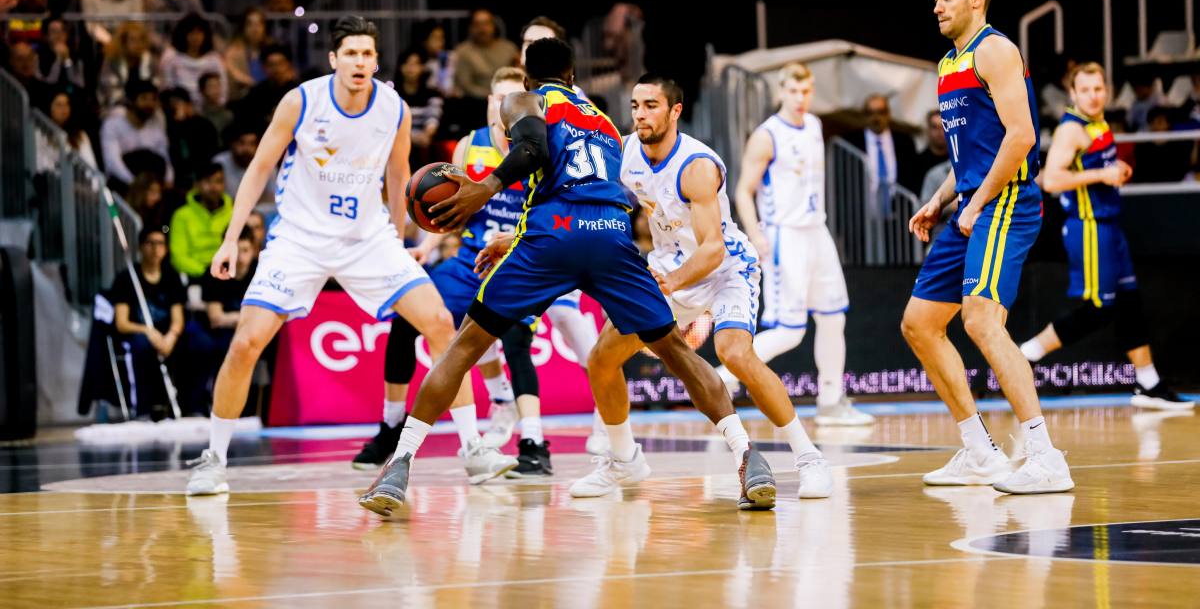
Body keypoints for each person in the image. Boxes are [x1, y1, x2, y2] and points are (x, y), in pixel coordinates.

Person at [359, 37, 775, 518]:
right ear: (574, 76)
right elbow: (578, 185)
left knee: (464, 347)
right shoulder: (600, 119)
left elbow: (535, 150)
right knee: (676, 352)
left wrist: (485, 189)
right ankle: (748, 455)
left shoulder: (525, 99)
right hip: (612, 236)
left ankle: (399, 464)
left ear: (526, 74)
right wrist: (513, 238)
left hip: (553, 238)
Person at [187, 16, 509, 496]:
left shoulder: (393, 109)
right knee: (247, 341)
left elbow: (400, 178)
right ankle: (213, 458)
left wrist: (403, 241)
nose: (360, 62)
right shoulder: (301, 101)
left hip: (368, 239)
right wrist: (232, 238)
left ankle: (473, 449)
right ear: (334, 59)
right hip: (298, 238)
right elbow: (259, 167)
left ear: (376, 62)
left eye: (367, 54)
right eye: (351, 53)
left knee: (441, 323)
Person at [573, 73, 834, 501]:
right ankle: (624, 461)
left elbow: (712, 250)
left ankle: (809, 460)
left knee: (735, 353)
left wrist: (669, 284)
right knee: (602, 358)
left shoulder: (697, 166)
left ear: (675, 110)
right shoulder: (624, 152)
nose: (640, 114)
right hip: (669, 266)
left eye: (651, 105)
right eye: (636, 105)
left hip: (726, 268)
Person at [904, 0, 1072, 494]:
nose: (937, 6)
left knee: (979, 320)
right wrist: (939, 199)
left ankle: (1046, 457)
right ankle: (979, 451)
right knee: (919, 324)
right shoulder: (948, 61)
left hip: (1006, 202)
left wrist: (975, 203)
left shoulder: (996, 50)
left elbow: (1020, 136)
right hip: (972, 202)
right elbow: (971, 151)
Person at [352, 68, 536, 473]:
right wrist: (426, 246)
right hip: (472, 261)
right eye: (499, 98)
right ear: (490, 102)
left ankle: (534, 439)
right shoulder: (470, 147)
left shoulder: (538, 145)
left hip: (523, 263)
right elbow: (452, 215)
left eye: (515, 99)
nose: (507, 107)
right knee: (407, 317)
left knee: (530, 338)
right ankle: (391, 424)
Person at [1019, 62, 1192, 411]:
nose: (1093, 96)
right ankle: (1026, 355)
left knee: (1129, 300)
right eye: (1085, 90)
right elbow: (1051, 180)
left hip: (1110, 225)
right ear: (1073, 93)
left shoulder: (1096, 122)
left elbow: (1097, 169)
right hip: (1089, 227)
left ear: (1107, 90)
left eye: (1098, 89)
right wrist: (1103, 173)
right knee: (1099, 308)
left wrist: (1115, 172)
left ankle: (1148, 384)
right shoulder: (1071, 130)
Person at [723, 63, 872, 425]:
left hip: (816, 231)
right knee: (790, 330)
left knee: (833, 317)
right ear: (781, 91)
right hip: (783, 234)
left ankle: (831, 402)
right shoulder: (767, 134)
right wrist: (756, 235)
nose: (800, 98)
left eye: (806, 91)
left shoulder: (815, 126)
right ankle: (720, 379)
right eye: (793, 91)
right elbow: (743, 189)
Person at [111, 227, 216, 416]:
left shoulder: (171, 276)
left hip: (169, 334)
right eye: (150, 243)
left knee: (202, 343)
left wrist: (171, 337)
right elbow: (121, 322)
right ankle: (144, 409)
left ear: (166, 249)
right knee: (142, 345)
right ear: (141, 247)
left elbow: (178, 318)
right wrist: (148, 332)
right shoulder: (127, 278)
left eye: (160, 243)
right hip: (140, 334)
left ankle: (194, 406)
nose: (155, 248)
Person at [844, 94, 921, 205]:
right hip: (862, 210)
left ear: (888, 114)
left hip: (899, 209)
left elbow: (912, 178)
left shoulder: (904, 142)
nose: (876, 118)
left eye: (881, 112)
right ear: (863, 116)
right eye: (870, 113)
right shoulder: (851, 143)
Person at [100, 80, 174, 190]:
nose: (149, 104)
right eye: (144, 98)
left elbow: (164, 156)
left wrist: (169, 178)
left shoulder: (156, 124)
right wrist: (135, 184)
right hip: (124, 182)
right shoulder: (112, 125)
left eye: (153, 99)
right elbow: (113, 163)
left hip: (152, 185)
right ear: (131, 101)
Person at [168, 161, 233, 280]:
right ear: (197, 184)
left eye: (218, 181)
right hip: (195, 277)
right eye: (208, 181)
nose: (213, 187)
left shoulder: (234, 212)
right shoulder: (181, 215)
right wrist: (206, 273)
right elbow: (177, 256)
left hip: (230, 274)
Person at [202, 227, 258, 353]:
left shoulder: (262, 272)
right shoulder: (215, 272)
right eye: (237, 251)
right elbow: (215, 319)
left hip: (254, 334)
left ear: (254, 250)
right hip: (222, 336)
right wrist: (249, 319)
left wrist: (230, 318)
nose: (241, 257)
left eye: (245, 250)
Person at [391, 47, 443, 168]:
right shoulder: (392, 94)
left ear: (422, 67)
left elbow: (433, 118)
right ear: (400, 67)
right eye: (407, 64)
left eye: (415, 64)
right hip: (401, 141)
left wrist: (427, 134)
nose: (411, 68)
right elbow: (391, 124)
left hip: (426, 142)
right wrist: (412, 137)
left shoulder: (432, 93)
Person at [161, 13, 227, 107]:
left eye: (199, 33)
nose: (195, 37)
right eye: (191, 33)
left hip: (210, 110)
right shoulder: (171, 58)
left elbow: (223, 91)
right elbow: (168, 89)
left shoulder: (214, 60)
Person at [452, 8, 519, 100]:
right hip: (475, 102)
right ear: (470, 28)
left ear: (493, 26)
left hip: (509, 100)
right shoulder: (462, 52)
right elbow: (466, 85)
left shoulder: (509, 48)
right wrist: (493, 96)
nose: (482, 29)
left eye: (486, 24)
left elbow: (518, 77)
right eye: (477, 24)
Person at [163, 88, 221, 189]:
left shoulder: (203, 125)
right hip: (181, 178)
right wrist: (179, 123)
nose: (175, 108)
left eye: (178, 104)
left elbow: (208, 151)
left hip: (204, 175)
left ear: (188, 104)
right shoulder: (172, 127)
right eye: (172, 105)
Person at [98, 22, 160, 113]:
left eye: (141, 40)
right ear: (123, 42)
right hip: (117, 107)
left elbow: (158, 87)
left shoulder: (151, 62)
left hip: (147, 108)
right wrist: (133, 105)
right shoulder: (112, 62)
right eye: (133, 40)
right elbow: (109, 91)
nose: (138, 44)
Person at [212, 126, 276, 213]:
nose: (246, 149)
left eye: (252, 144)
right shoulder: (220, 163)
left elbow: (273, 201)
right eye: (241, 143)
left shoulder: (268, 164)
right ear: (232, 144)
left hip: (259, 216)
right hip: (225, 214)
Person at [45, 89, 98, 169]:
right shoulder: (41, 132)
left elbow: (91, 165)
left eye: (67, 104)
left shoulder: (80, 134)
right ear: (50, 108)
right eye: (59, 105)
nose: (64, 109)